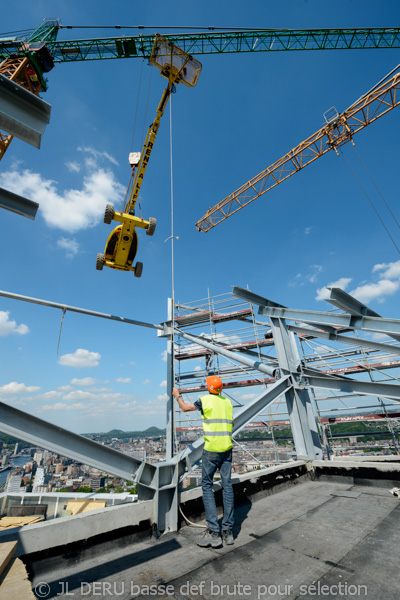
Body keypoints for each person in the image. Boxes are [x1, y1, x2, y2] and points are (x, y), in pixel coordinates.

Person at [172, 376, 234, 548]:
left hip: (212, 449)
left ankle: (214, 533)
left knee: (207, 485)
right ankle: (228, 532)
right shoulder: (227, 402)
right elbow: (231, 422)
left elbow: (185, 408)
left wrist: (177, 395)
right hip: (227, 448)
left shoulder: (204, 400)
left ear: (208, 387)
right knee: (227, 485)